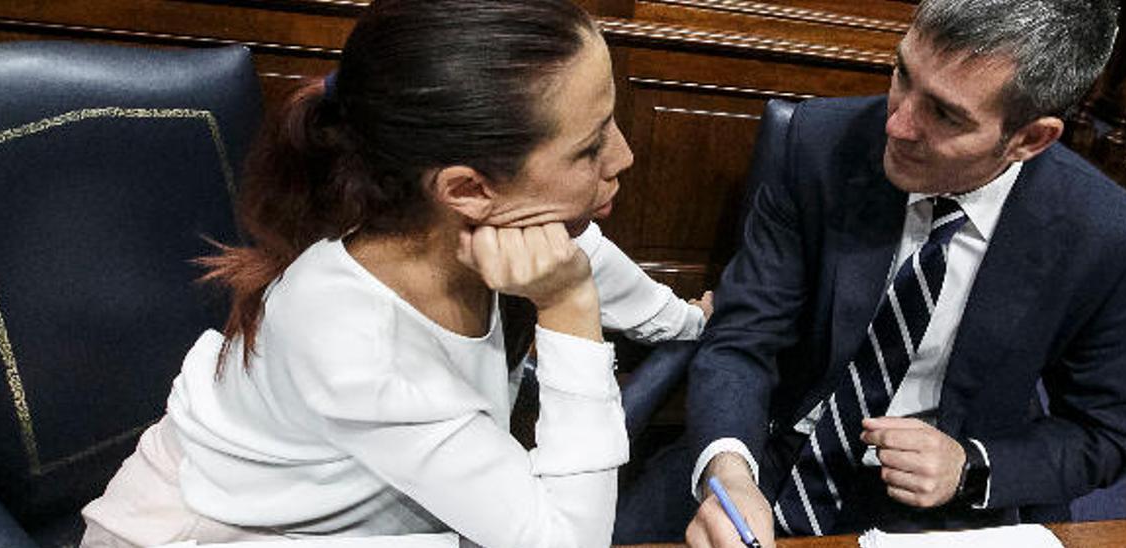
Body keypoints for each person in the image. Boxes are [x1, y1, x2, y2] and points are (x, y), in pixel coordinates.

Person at [78, 0, 695, 546]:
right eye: (590, 148)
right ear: (467, 188)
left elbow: (588, 250)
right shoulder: (353, 340)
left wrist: (689, 321)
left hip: (348, 515)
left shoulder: (484, 219)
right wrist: (567, 307)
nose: (624, 156)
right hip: (218, 530)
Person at [614, 0, 1126, 545]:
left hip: (941, 494)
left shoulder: (1106, 233)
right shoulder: (816, 145)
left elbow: (1105, 431)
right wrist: (728, 469)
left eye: (945, 114)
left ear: (1030, 139)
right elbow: (741, 339)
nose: (896, 124)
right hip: (767, 447)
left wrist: (970, 466)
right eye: (902, 74)